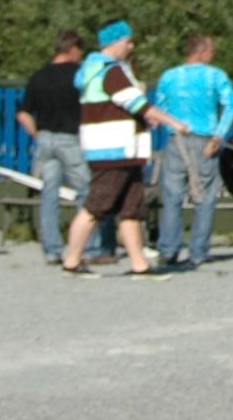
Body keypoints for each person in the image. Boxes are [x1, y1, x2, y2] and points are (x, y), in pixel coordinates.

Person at [62, 22, 164, 278]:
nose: (131, 47)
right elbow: (136, 103)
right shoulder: (110, 71)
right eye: (128, 42)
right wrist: (175, 123)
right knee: (96, 206)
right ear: (115, 42)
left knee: (131, 209)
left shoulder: (103, 70)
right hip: (113, 150)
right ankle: (72, 261)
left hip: (127, 151)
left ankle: (139, 264)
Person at [150, 34, 233, 268]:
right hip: (205, 140)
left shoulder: (169, 77)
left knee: (172, 196)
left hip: (176, 140)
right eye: (211, 50)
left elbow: (159, 107)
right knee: (205, 196)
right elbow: (231, 104)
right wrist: (219, 135)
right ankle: (198, 250)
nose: (213, 55)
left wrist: (172, 123)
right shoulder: (215, 76)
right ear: (202, 52)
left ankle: (168, 249)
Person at [16, 32, 93, 264]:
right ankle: (86, 247)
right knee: (86, 191)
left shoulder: (38, 76)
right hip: (70, 138)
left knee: (49, 193)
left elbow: (23, 113)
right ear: (73, 49)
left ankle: (52, 248)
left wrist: (38, 134)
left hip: (46, 138)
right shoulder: (78, 76)